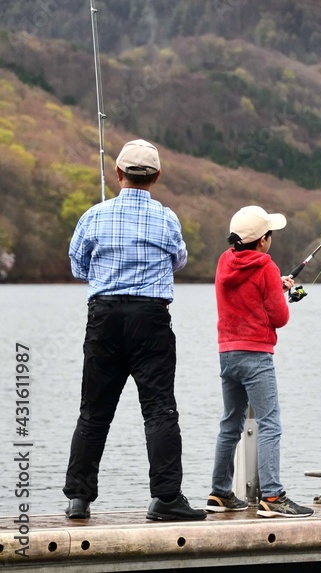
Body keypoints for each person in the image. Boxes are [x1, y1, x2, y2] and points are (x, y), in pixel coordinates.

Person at [65, 139, 206, 521]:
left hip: (104, 317)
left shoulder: (94, 216)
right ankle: (166, 499)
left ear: (118, 173)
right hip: (151, 319)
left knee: (94, 411)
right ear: (157, 176)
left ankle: (79, 498)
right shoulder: (167, 219)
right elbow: (178, 260)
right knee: (159, 410)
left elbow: (78, 267)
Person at [207, 206, 313, 518]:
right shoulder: (265, 266)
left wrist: (274, 286)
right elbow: (279, 318)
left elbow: (245, 293)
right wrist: (280, 293)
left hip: (227, 354)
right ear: (263, 240)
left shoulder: (225, 262)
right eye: (270, 235)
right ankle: (272, 497)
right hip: (255, 356)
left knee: (230, 423)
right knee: (270, 423)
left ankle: (219, 493)